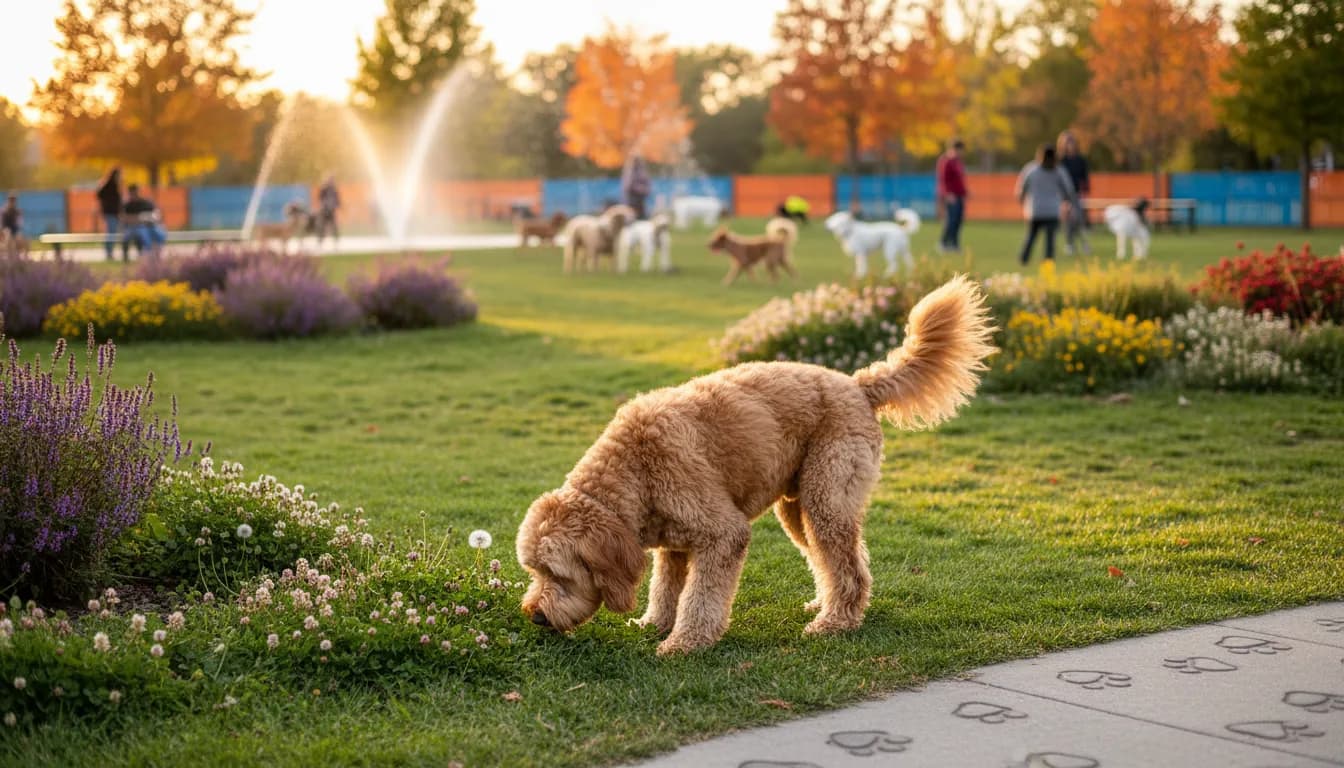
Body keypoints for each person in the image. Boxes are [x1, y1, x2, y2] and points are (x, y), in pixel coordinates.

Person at [1014, 145, 1078, 266]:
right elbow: (1068, 190)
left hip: (1035, 210)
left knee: (1031, 237)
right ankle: (1048, 263)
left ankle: (1024, 260)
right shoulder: (1059, 171)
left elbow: (1021, 188)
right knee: (1050, 241)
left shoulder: (1031, 169)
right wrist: (1069, 202)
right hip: (1052, 211)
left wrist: (1022, 200)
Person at [1058, 131, 1092, 256]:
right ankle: (1070, 244)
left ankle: (1084, 244)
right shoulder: (1060, 161)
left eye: (1071, 142)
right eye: (1067, 143)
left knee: (1078, 220)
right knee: (1068, 221)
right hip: (1064, 196)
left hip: (1077, 194)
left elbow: (1085, 178)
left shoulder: (1080, 160)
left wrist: (1084, 191)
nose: (1069, 145)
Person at [935, 139, 968, 254]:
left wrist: (965, 193)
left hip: (959, 195)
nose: (961, 153)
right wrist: (948, 194)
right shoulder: (946, 161)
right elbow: (943, 179)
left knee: (958, 221)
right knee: (951, 220)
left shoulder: (957, 162)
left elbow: (959, 180)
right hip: (951, 196)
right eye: (960, 150)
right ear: (955, 149)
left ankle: (954, 244)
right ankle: (943, 243)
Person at [122, 184, 166, 260]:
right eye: (132, 193)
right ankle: (147, 255)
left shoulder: (146, 202)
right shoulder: (128, 205)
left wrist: (150, 218)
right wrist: (139, 218)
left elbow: (157, 214)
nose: (134, 195)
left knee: (160, 233)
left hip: (150, 225)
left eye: (136, 192)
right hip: (135, 227)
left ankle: (157, 253)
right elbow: (124, 218)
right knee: (143, 233)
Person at [96, 166, 123, 261]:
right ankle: (109, 252)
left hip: (114, 213)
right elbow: (99, 194)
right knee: (111, 232)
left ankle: (110, 251)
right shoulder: (109, 184)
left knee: (112, 232)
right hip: (110, 212)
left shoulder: (115, 185)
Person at [620, 155, 651, 220]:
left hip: (641, 202)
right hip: (631, 201)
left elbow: (647, 184)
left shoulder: (642, 171)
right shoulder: (629, 171)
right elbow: (628, 186)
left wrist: (644, 190)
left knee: (642, 220)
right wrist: (640, 189)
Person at [316, 175, 341, 245]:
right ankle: (320, 240)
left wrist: (337, 205)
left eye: (332, 181)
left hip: (331, 211)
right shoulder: (324, 189)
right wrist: (323, 206)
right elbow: (320, 199)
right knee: (322, 225)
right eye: (330, 180)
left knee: (334, 226)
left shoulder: (334, 190)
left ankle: (336, 241)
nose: (332, 182)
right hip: (324, 210)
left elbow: (337, 200)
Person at [1, 195, 27, 259]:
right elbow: (2, 224)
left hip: (15, 230)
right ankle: (7, 255)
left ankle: (18, 256)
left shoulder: (17, 211)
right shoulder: (4, 211)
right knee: (8, 236)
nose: (12, 202)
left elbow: (20, 223)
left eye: (13, 201)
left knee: (20, 239)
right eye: (11, 200)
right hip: (6, 230)